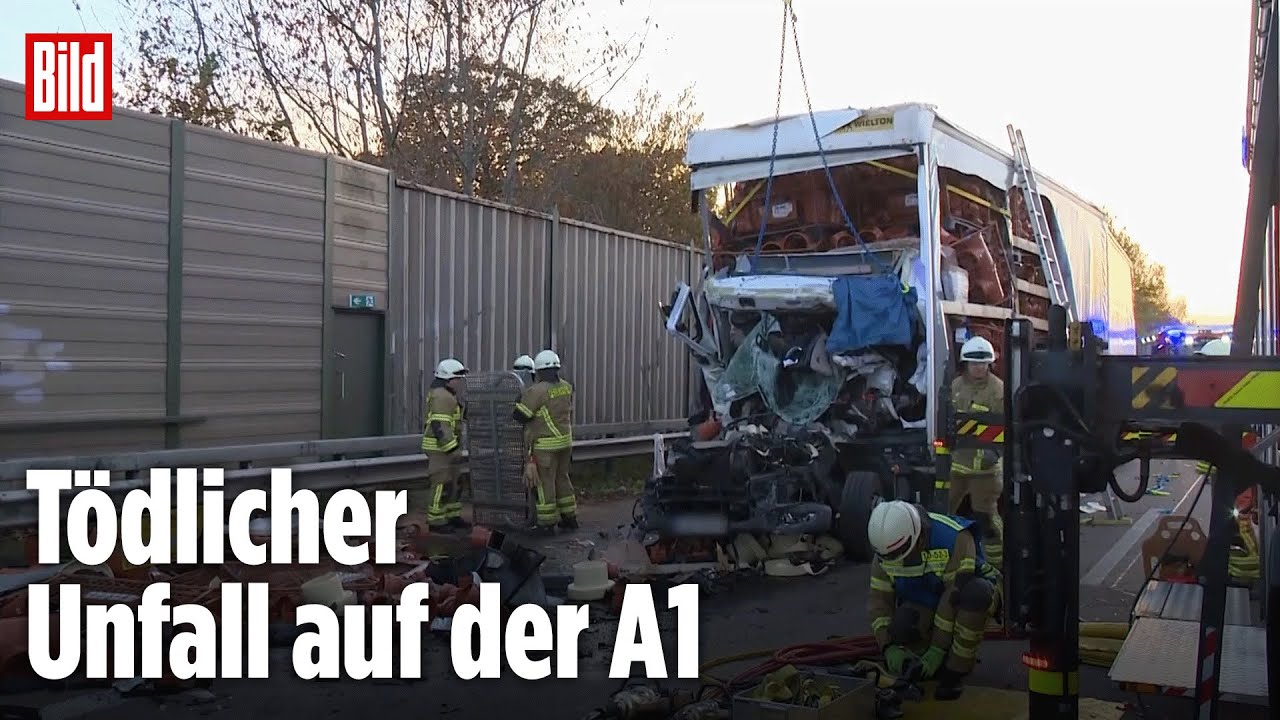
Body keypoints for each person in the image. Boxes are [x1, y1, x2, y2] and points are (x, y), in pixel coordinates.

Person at [867, 500, 1000, 701]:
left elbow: (952, 598)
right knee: (902, 626)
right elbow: (880, 602)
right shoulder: (885, 550)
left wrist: (937, 649)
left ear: (919, 539)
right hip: (926, 599)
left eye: (899, 553)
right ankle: (924, 664)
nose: (895, 560)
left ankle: (956, 670)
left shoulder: (954, 538)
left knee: (975, 594)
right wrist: (888, 647)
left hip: (968, 594)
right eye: (889, 556)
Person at [1190, 338, 1260, 585]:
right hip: (1230, 487)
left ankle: (1228, 573)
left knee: (1233, 526)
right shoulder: (1223, 406)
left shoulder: (1236, 414)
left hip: (1237, 497)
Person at [948, 335, 1005, 572]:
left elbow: (1005, 426)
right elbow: (948, 419)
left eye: (983, 363)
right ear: (966, 364)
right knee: (944, 514)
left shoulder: (998, 389)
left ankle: (998, 566)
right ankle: (950, 560)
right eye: (974, 363)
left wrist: (996, 449)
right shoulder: (956, 386)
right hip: (957, 466)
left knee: (987, 520)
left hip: (986, 470)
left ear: (989, 364)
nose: (978, 367)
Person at [513, 350, 577, 531]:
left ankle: (547, 523)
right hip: (565, 442)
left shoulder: (537, 391)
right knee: (562, 479)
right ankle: (569, 518)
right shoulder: (566, 386)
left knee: (544, 483)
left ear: (539, 371)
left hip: (545, 445)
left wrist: (519, 399)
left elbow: (520, 416)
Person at [420, 358, 470, 531]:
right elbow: (439, 426)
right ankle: (436, 521)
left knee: (454, 482)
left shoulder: (447, 395)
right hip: (440, 449)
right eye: (458, 379)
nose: (460, 383)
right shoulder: (442, 396)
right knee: (441, 483)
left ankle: (451, 515)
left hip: (447, 448)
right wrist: (451, 448)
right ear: (448, 379)